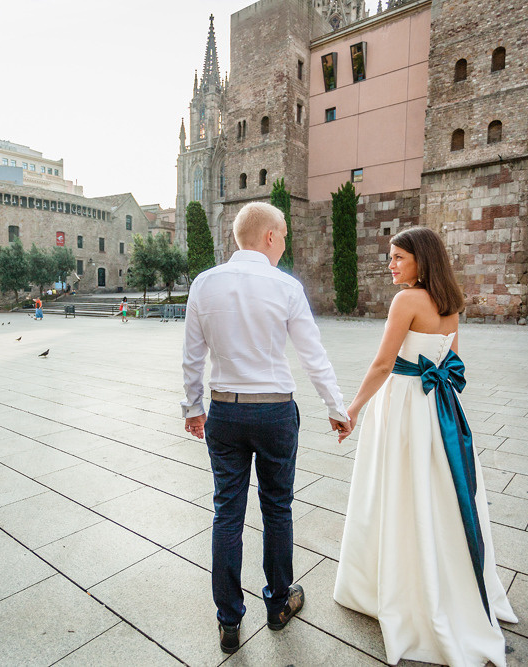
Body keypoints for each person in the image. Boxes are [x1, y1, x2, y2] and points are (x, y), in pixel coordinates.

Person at [333, 227, 516, 667]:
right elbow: (453, 363)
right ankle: (444, 581)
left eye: (398, 257)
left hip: (402, 406)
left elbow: (382, 364)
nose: (391, 265)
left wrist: (352, 409)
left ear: (421, 260)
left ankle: (395, 586)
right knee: (439, 494)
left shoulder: (407, 301)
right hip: (439, 410)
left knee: (395, 490)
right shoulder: (451, 303)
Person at [182, 202, 350, 655]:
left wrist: (192, 407)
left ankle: (229, 620)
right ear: (270, 237)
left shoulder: (204, 284)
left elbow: (192, 355)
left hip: (225, 412)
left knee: (227, 513)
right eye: (285, 235)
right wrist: (336, 407)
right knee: (277, 508)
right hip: (275, 412)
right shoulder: (286, 287)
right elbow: (313, 356)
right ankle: (278, 604)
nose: (286, 243)